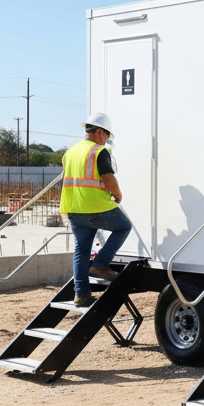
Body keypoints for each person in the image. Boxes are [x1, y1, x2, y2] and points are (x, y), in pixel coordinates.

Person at [58, 112, 132, 307]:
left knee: (81, 250)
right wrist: (118, 194)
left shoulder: (70, 152)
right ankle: (100, 264)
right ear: (99, 132)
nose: (107, 141)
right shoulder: (98, 151)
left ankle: (81, 294)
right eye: (107, 136)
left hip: (74, 209)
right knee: (124, 227)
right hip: (96, 206)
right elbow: (108, 178)